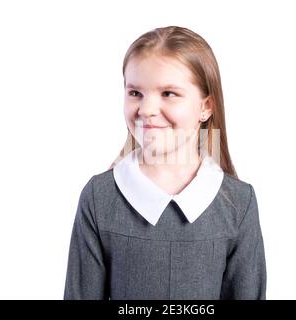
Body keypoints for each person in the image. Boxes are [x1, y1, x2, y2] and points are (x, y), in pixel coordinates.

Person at [63, 26, 267, 300]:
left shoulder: (238, 204)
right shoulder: (99, 198)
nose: (146, 110)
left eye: (169, 93)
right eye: (135, 93)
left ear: (206, 107)